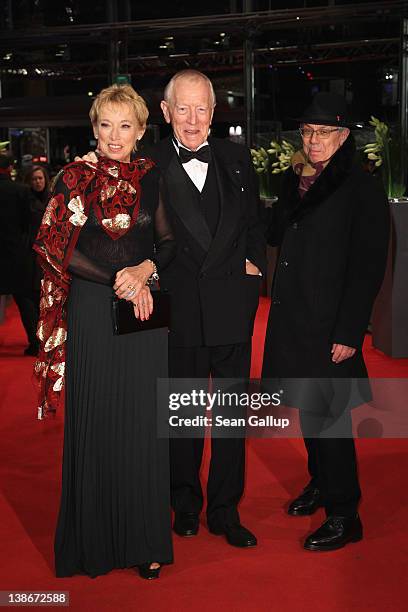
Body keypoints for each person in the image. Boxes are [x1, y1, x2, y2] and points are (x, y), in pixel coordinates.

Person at [33, 84, 175, 579]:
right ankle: (92, 540)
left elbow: (169, 242)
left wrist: (145, 270)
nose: (115, 136)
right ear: (94, 129)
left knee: (142, 426)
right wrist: (119, 279)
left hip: (144, 310)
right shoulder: (72, 178)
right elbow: (55, 246)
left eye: (125, 126)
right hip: (93, 311)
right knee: (97, 420)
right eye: (105, 125)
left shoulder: (151, 179)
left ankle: (145, 539)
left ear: (140, 131)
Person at [119, 69, 266, 548]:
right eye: (182, 108)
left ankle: (225, 510)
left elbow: (255, 228)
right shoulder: (146, 163)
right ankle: (184, 503)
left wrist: (253, 273)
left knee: (230, 418)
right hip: (177, 309)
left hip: (230, 306)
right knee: (180, 418)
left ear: (214, 112)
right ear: (164, 112)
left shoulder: (238, 158)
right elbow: (134, 235)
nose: (193, 118)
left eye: (201, 107)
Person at [262, 92, 389, 551]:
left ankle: (344, 512)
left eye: (324, 133)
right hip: (294, 317)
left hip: (331, 324)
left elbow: (369, 265)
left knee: (331, 419)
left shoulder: (362, 187)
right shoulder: (298, 180)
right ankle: (320, 483)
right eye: (308, 132)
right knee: (309, 411)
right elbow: (277, 234)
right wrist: (285, 191)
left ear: (344, 136)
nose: (313, 141)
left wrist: (349, 332)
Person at [0, 153, 38, 354]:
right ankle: (35, 342)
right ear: (9, 169)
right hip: (16, 253)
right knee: (25, 301)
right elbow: (28, 223)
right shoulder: (21, 191)